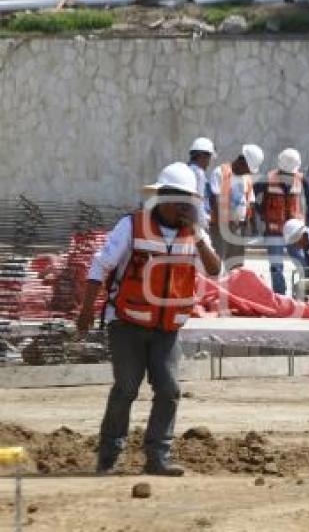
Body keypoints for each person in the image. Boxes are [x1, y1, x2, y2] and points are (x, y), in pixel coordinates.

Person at [77, 162, 221, 476]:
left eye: (189, 201)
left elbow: (214, 269)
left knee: (169, 389)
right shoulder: (132, 226)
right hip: (127, 322)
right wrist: (87, 309)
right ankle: (108, 456)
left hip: (167, 327)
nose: (186, 206)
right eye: (180, 200)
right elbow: (99, 267)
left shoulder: (193, 235)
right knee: (126, 388)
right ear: (163, 199)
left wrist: (197, 235)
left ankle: (158, 457)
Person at [255, 148, 309, 294]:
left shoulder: (301, 180)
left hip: (295, 231)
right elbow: (252, 194)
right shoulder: (268, 179)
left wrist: (306, 224)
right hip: (274, 231)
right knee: (276, 266)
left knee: (301, 261)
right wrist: (261, 212)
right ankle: (280, 295)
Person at [208, 144, 264, 270]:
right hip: (220, 228)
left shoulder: (247, 178)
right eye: (248, 168)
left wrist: (252, 226)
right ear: (241, 160)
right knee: (218, 263)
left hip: (239, 227)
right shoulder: (220, 172)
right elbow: (214, 199)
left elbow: (251, 202)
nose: (249, 171)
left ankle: (232, 289)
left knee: (236, 265)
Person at [187, 137, 216, 229]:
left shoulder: (187, 169)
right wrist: (203, 223)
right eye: (209, 158)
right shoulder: (199, 173)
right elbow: (198, 200)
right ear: (201, 156)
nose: (209, 162)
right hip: (197, 222)